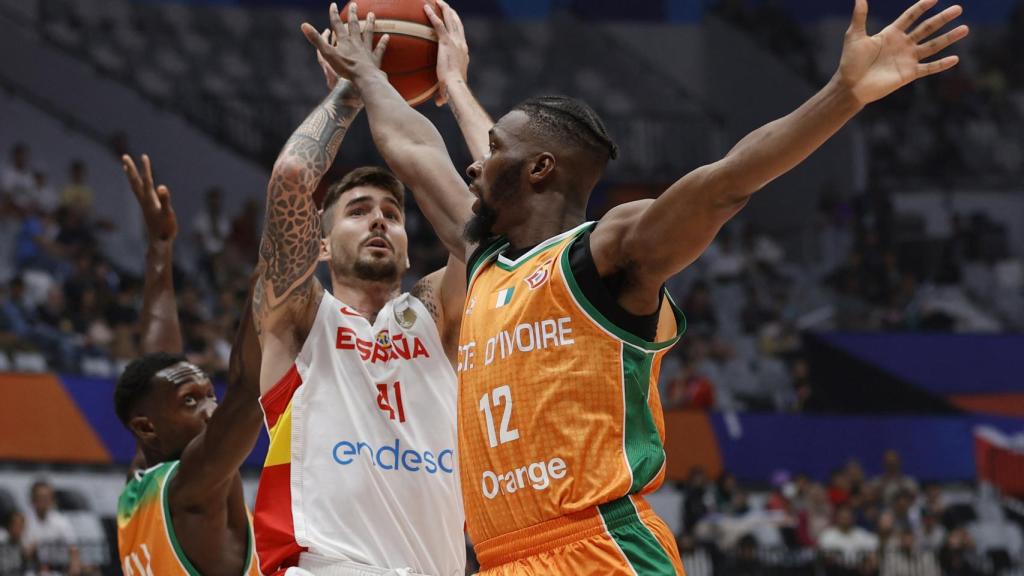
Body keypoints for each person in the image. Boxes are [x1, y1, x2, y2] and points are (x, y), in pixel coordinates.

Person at [305, 0, 969, 573]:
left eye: (492, 154)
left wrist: (842, 94)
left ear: (537, 169)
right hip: (502, 556)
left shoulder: (606, 253)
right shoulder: (483, 259)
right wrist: (381, 78)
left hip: (599, 549)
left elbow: (727, 183)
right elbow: (418, 150)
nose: (474, 166)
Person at [252, 3, 490, 574]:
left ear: (409, 246)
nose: (380, 220)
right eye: (358, 211)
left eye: (392, 211)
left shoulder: (437, 315)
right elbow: (290, 178)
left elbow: (495, 223)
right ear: (323, 245)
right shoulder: (301, 319)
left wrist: (453, 81)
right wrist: (353, 89)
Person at [114, 154, 262, 575]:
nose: (211, 409)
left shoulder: (142, 485)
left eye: (208, 395)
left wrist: (160, 249)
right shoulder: (193, 489)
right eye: (192, 401)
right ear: (146, 427)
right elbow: (248, 390)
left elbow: (159, 361)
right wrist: (268, 284)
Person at [23, 480, 81, 575]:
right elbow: (23, 553)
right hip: (33, 570)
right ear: (32, 500)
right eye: (40, 497)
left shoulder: (61, 521)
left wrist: (74, 567)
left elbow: (73, 548)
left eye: (46, 497)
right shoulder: (25, 521)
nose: (44, 501)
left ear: (52, 500)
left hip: (58, 570)